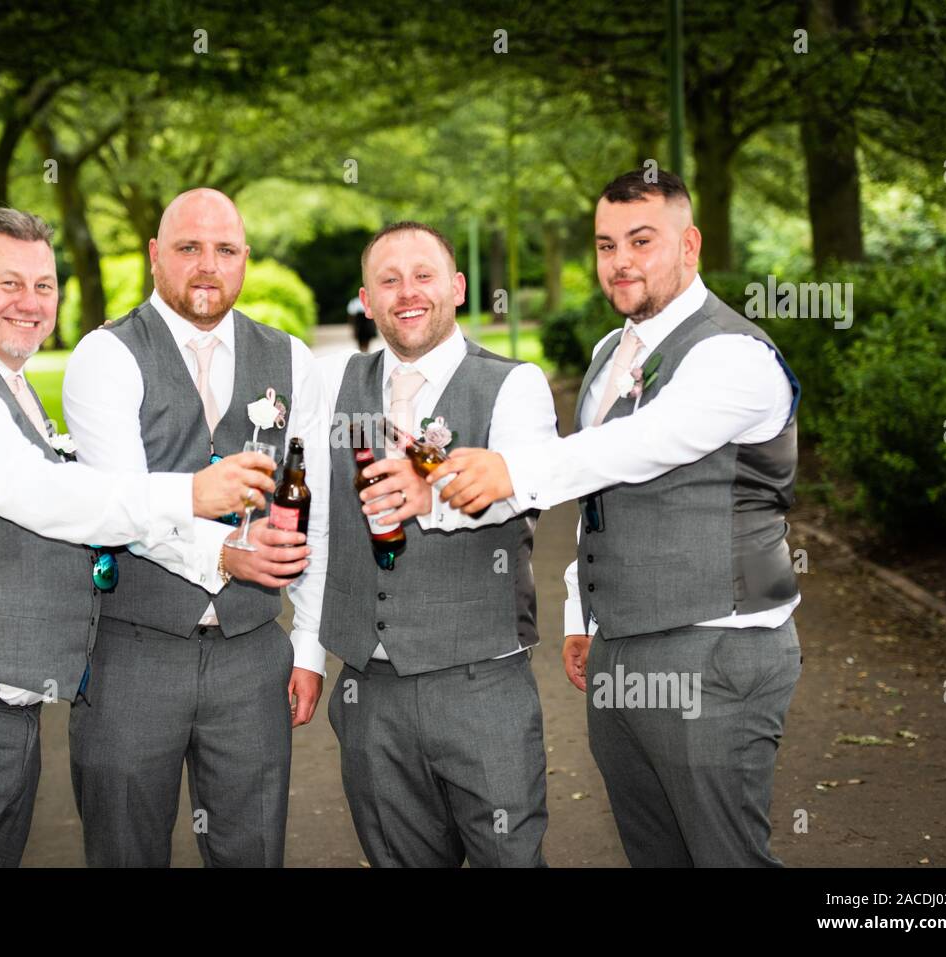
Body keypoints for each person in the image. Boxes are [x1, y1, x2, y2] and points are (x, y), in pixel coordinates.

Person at [0, 207, 276, 867]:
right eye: (9, 283)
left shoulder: (3, 382)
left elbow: (64, 481)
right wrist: (190, 493)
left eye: (44, 286)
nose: (31, 302)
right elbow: (42, 495)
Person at [428, 169, 804, 867]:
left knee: (726, 857)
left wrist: (513, 470)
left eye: (642, 240)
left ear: (689, 244)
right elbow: (602, 498)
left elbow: (641, 445)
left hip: (716, 649)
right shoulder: (610, 352)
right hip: (622, 648)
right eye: (606, 245)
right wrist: (582, 614)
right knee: (654, 854)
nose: (621, 261)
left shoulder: (732, 354)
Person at [63, 188, 328, 867]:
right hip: (131, 649)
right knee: (125, 850)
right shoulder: (106, 355)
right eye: (188, 248)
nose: (207, 266)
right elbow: (117, 500)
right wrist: (226, 554)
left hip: (250, 656)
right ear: (155, 256)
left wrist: (307, 646)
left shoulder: (293, 360)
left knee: (252, 851)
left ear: (245, 258)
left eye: (225, 250)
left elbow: (315, 512)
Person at [317, 221, 559, 867]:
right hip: (370, 689)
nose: (407, 292)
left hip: (481, 683)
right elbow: (320, 524)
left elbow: (523, 484)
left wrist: (436, 499)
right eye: (387, 280)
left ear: (455, 285)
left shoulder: (513, 383)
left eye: (423, 275)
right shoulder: (334, 387)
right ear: (366, 300)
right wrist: (309, 654)